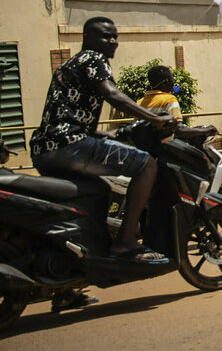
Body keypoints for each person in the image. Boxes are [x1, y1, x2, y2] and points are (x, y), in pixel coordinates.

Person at [30, 17, 175, 264]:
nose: (113, 42)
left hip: (45, 149)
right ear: (87, 38)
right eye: (105, 36)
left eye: (115, 36)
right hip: (71, 146)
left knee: (96, 190)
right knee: (147, 165)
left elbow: (65, 115)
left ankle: (76, 267)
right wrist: (153, 118)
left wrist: (105, 134)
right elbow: (111, 94)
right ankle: (126, 241)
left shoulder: (69, 66)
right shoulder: (94, 58)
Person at [137, 65, 217, 140]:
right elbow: (179, 130)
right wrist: (206, 130)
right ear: (166, 82)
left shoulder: (139, 102)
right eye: (172, 80)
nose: (173, 84)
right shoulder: (169, 99)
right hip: (164, 149)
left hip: (143, 149)